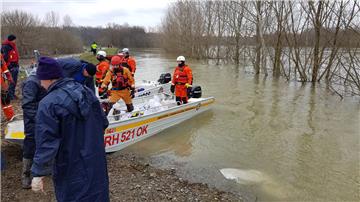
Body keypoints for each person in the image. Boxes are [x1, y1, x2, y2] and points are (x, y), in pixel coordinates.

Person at [30, 56, 109, 201]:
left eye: (40, 80)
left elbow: (46, 142)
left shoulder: (48, 104)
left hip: (70, 164)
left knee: (73, 195)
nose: (40, 85)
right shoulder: (88, 92)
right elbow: (103, 123)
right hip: (95, 160)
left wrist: (38, 173)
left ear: (48, 78)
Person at [21, 64, 47, 189]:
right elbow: (28, 105)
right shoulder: (32, 82)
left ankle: (42, 170)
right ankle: (26, 174)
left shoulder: (47, 80)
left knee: (44, 144)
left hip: (44, 119)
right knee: (30, 146)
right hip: (33, 122)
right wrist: (41, 118)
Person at [1, 34, 19, 100]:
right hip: (11, 67)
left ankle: (12, 94)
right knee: (11, 81)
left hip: (15, 66)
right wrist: (9, 66)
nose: (15, 41)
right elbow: (4, 58)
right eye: (14, 39)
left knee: (14, 81)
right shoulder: (6, 46)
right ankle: (10, 96)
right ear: (12, 40)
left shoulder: (13, 46)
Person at [0, 53, 14, 120]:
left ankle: (10, 116)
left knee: (5, 99)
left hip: (1, 80)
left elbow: (3, 65)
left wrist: (8, 75)